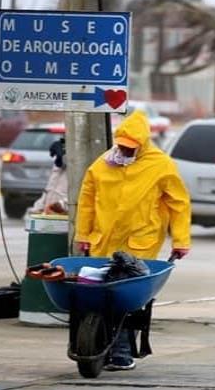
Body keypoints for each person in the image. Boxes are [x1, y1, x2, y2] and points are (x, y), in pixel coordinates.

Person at [75, 110, 191, 370]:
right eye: (122, 147)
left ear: (143, 144)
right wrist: (82, 235)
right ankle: (98, 346)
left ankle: (122, 353)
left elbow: (179, 204)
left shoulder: (161, 165)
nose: (125, 152)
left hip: (140, 243)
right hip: (103, 242)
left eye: (131, 149)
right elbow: (86, 203)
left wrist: (180, 240)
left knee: (126, 299)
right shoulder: (102, 164)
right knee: (99, 296)